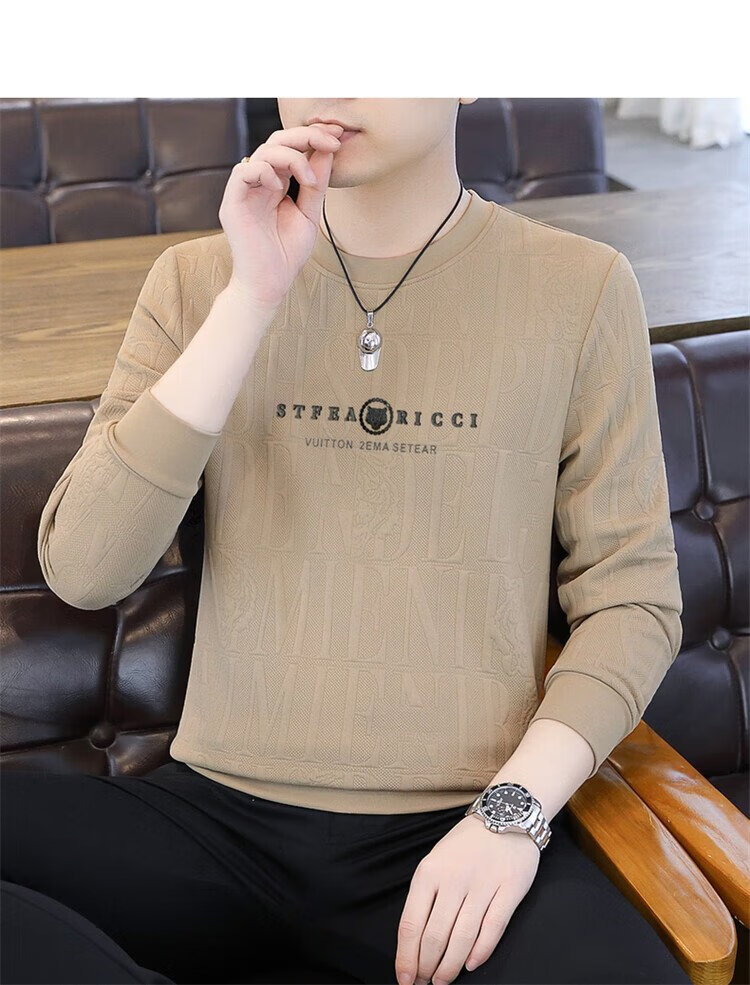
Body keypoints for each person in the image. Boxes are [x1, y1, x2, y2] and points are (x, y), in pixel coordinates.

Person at [2, 97, 689, 985]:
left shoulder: (581, 287)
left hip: (456, 833)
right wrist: (253, 297)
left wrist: (511, 815)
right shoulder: (197, 279)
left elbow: (631, 599)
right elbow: (86, 569)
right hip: (211, 826)